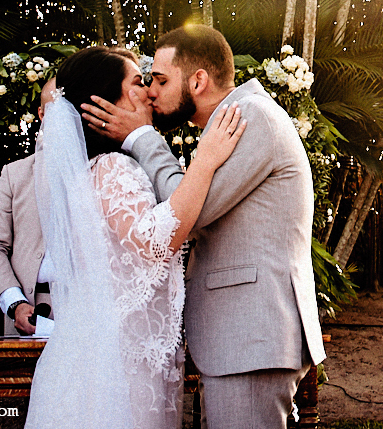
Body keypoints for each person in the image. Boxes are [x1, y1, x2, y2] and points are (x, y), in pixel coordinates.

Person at [82, 25, 327, 429]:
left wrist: (142, 137)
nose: (151, 92)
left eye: (161, 80)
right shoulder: (227, 123)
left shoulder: (248, 117)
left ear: (198, 81)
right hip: (242, 340)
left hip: (250, 338)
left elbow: (187, 211)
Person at [25, 46, 244, 429]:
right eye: (139, 82)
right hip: (119, 369)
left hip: (115, 356)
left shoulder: (93, 171)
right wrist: (206, 160)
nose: (149, 91)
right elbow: (157, 240)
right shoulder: (113, 168)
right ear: (109, 100)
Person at [0, 77, 58, 336]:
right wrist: (15, 303)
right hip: (28, 318)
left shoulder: (105, 171)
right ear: (41, 114)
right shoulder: (15, 174)